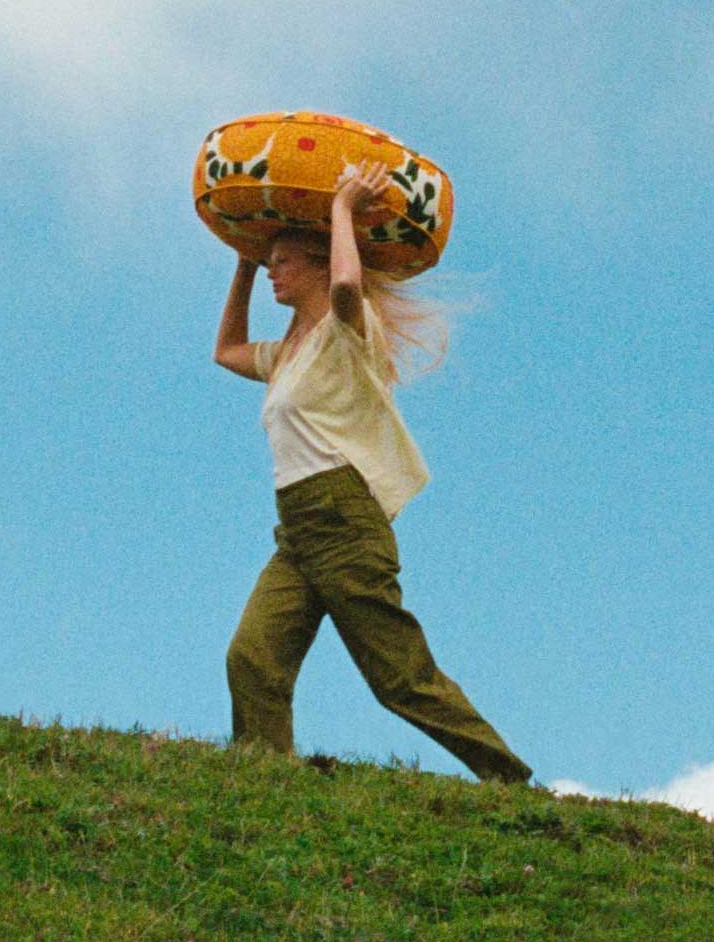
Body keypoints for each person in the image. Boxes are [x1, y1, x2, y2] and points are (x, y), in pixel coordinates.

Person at [213, 162, 530, 784]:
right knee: (251, 657)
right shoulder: (286, 353)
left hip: (344, 520)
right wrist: (243, 266)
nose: (274, 271)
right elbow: (225, 351)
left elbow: (346, 287)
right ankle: (266, 779)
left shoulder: (344, 332)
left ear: (318, 264)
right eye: (269, 263)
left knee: (399, 678)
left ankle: (508, 778)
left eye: (282, 261)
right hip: (297, 527)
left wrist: (342, 209)